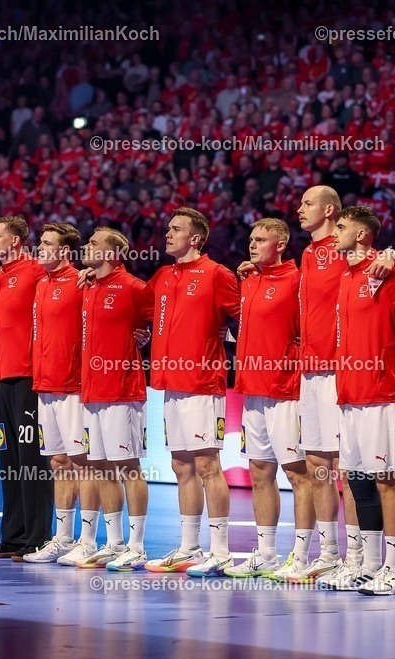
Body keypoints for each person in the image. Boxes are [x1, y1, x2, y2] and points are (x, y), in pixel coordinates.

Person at [315, 206, 395, 594]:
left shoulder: (387, 272)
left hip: (383, 392)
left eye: (340, 227)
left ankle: (394, 569)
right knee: (357, 482)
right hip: (350, 394)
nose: (333, 232)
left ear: (362, 235)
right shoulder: (346, 276)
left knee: (388, 482)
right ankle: (369, 565)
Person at [143, 207, 240, 577]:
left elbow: (247, 316)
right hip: (169, 386)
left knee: (207, 466)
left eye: (176, 229)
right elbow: (139, 310)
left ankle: (221, 551)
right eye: (167, 227)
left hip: (202, 384)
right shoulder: (163, 276)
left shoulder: (217, 274)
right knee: (181, 465)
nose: (167, 234)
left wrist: (225, 336)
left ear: (195, 239)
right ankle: (189, 548)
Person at [222, 218, 310, 579]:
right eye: (251, 239)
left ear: (280, 245)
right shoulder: (249, 280)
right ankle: (267, 553)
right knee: (260, 472)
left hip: (286, 391)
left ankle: (303, 555)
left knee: (298, 474)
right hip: (251, 390)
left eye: (261, 239)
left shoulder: (298, 279)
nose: (253, 244)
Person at [0, 216, 54, 559]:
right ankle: (13, 536)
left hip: (29, 378)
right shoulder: (1, 275)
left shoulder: (36, 270)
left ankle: (37, 536)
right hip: (2, 378)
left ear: (17, 240)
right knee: (8, 460)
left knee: (31, 461)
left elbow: (63, 285)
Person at [75, 227, 152, 571]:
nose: (86, 247)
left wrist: (147, 337)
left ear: (111, 253)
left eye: (93, 244)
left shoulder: (135, 288)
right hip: (91, 390)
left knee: (129, 468)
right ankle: (114, 543)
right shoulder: (88, 286)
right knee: (102, 467)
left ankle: (137, 546)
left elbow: (157, 326)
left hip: (123, 390)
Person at [23, 223, 89, 564]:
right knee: (58, 462)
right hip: (44, 384)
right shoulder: (40, 284)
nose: (40, 249)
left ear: (65, 250)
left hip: (74, 386)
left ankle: (88, 540)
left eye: (47, 243)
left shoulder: (81, 282)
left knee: (82, 464)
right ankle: (62, 538)